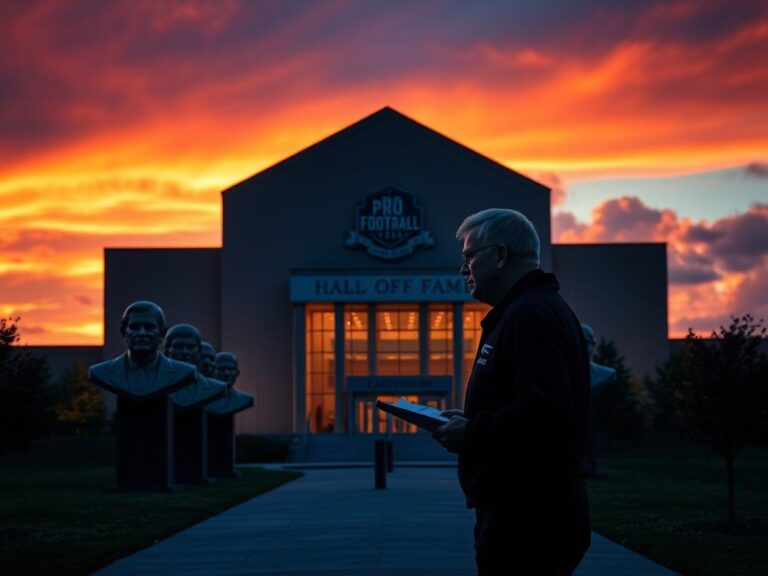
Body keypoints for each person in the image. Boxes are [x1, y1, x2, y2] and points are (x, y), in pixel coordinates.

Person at [431, 208, 591, 575]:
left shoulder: (529, 314)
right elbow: (533, 399)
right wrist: (472, 421)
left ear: (500, 255)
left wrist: (472, 432)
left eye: (470, 256)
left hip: (527, 517)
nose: (463, 269)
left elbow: (545, 408)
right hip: (528, 512)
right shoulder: (530, 310)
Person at [89, 301, 196, 399]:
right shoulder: (101, 372)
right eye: (134, 327)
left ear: (162, 333)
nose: (141, 333)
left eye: (149, 327)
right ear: (124, 332)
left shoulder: (184, 372)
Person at [580, 323, 617, 477]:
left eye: (587, 342)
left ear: (593, 345)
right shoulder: (563, 376)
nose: (583, 347)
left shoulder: (606, 374)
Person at [164, 325, 226, 410]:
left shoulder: (215, 388)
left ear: (199, 352)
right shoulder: (155, 383)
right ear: (167, 350)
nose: (185, 352)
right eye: (178, 346)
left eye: (190, 347)